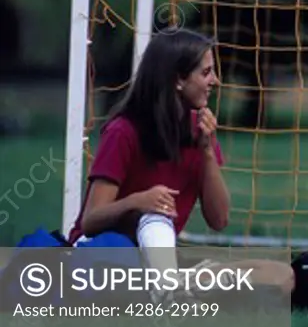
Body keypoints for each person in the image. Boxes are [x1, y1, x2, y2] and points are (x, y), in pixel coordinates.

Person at [67, 29, 231, 298]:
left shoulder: (199, 132)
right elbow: (90, 221)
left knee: (281, 277)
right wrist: (137, 202)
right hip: (100, 253)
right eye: (206, 73)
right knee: (155, 215)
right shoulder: (124, 132)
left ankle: (172, 287)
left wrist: (208, 152)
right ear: (178, 79)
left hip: (151, 260)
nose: (215, 80)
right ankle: (170, 291)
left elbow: (219, 220)